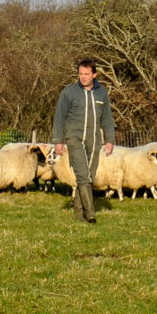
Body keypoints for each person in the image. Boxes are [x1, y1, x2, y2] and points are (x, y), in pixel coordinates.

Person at [51, 59, 115, 223]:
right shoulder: (69, 92)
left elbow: (107, 118)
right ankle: (91, 212)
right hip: (74, 137)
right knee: (82, 174)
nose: (83, 77)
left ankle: (78, 214)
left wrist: (110, 140)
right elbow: (59, 117)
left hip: (94, 138)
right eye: (80, 74)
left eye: (86, 74)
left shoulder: (102, 93)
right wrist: (58, 140)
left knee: (89, 176)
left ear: (94, 74)